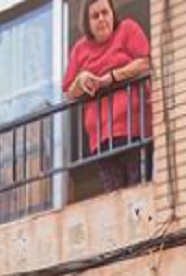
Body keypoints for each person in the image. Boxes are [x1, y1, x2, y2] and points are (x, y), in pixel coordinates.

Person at [62, 0, 152, 192]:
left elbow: (146, 62)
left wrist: (111, 78)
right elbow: (68, 92)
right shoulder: (80, 49)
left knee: (138, 192)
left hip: (135, 130)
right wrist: (81, 80)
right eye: (95, 16)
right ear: (88, 23)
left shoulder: (127, 29)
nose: (101, 19)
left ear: (113, 13)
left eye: (105, 12)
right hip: (101, 140)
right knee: (115, 197)